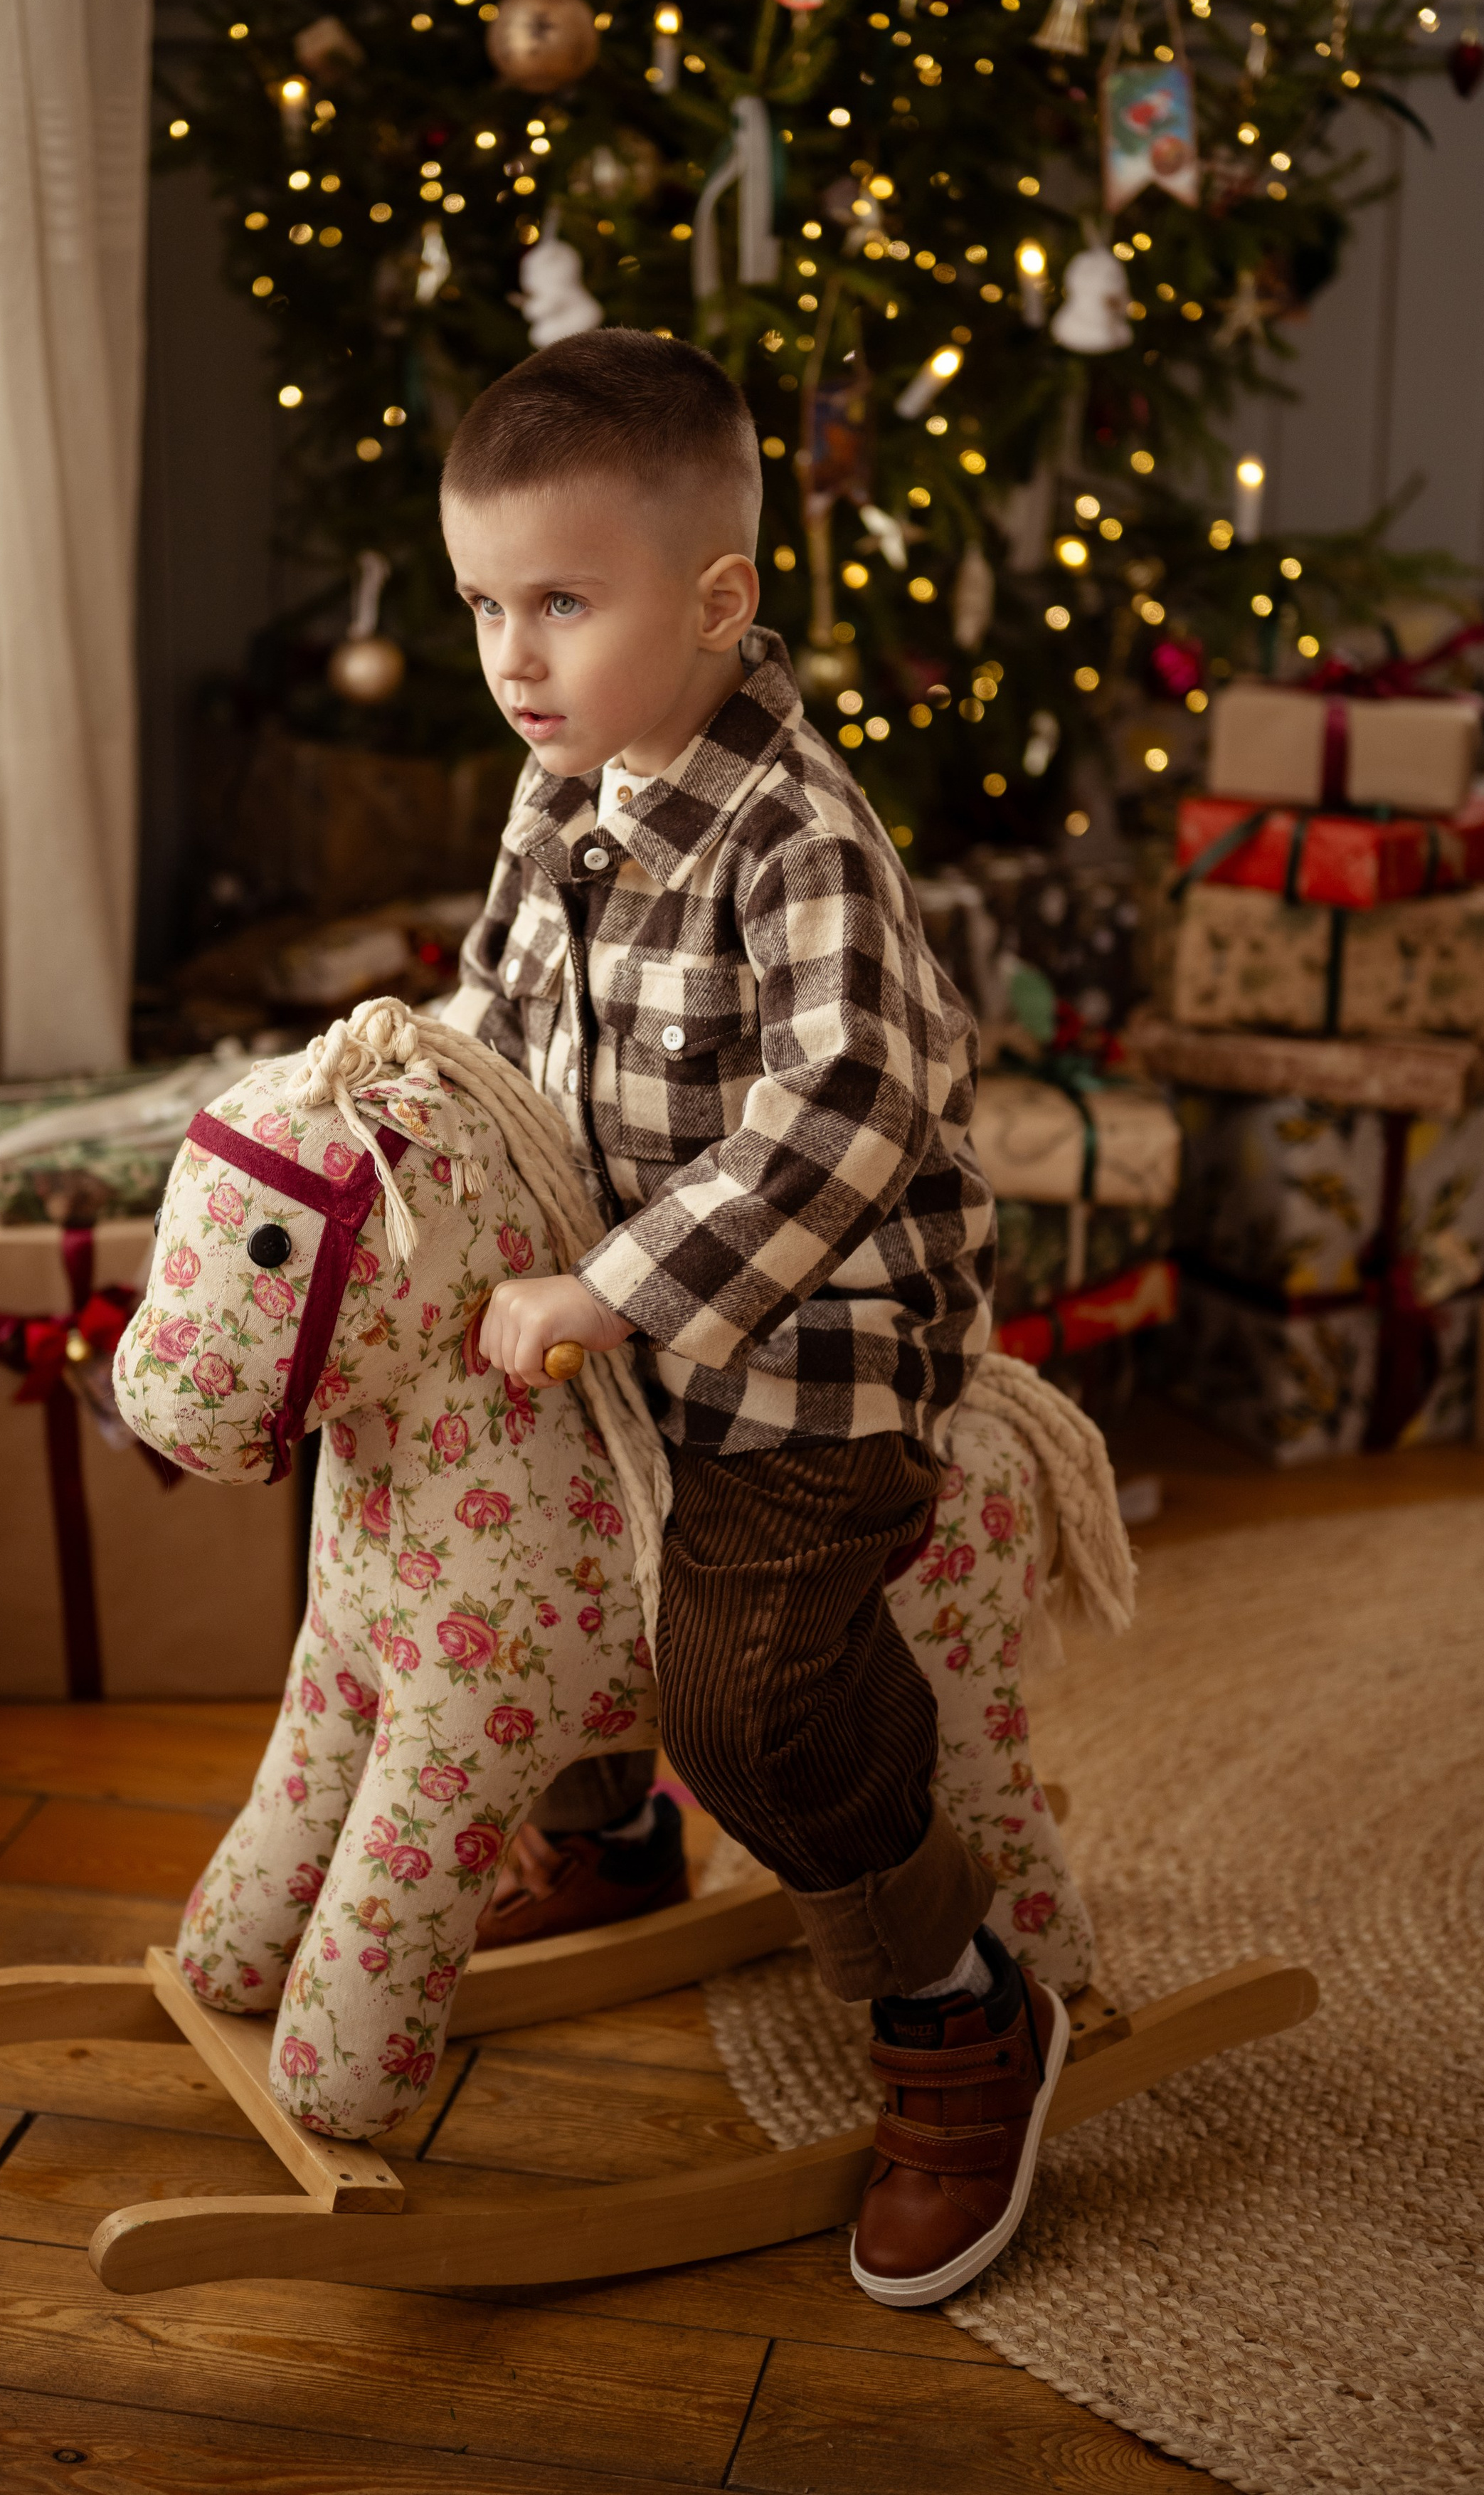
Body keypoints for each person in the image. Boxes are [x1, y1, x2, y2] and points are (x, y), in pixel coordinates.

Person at [441, 327, 1067, 2307]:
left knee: (752, 1688)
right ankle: (604, 1826)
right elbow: (484, 1019)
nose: (512, 656)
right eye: (481, 605)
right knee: (477, 1512)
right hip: (617, 1325)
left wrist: (606, 1288)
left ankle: (954, 1993)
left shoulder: (798, 839)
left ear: (718, 602)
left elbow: (856, 1110)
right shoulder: (561, 794)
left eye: (560, 600)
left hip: (818, 1349)